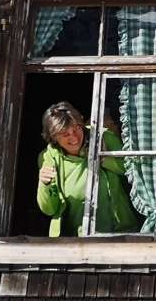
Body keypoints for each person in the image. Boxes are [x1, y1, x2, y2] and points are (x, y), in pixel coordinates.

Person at [36, 100, 143, 236]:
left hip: (118, 232)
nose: (74, 137)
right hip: (73, 239)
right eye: (65, 134)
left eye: (76, 128)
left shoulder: (103, 138)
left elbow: (134, 171)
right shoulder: (49, 158)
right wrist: (45, 185)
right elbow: (49, 209)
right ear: (53, 137)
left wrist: (105, 159)